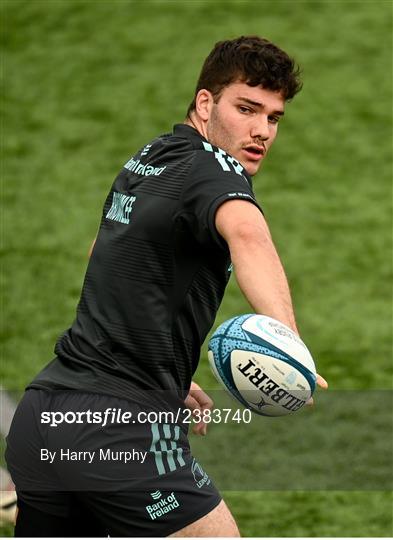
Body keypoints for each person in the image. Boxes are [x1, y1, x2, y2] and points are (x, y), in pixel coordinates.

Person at [5, 35, 327, 537]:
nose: (261, 130)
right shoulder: (215, 170)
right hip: (116, 434)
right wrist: (291, 349)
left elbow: (105, 255)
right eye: (247, 109)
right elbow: (248, 234)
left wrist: (160, 370)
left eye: (273, 118)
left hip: (44, 415)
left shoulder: (148, 159)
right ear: (205, 102)